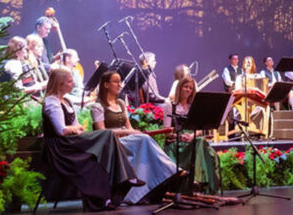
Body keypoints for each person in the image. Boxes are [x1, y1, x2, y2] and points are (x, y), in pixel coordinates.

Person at [40, 68, 143, 211]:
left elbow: (75, 125)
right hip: (61, 147)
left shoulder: (67, 101)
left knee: (105, 149)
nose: (73, 84)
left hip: (71, 142)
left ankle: (108, 197)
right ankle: (126, 177)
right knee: (107, 134)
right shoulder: (52, 102)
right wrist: (76, 129)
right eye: (70, 81)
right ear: (60, 84)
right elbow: (61, 130)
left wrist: (76, 128)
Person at [89, 71, 180, 204]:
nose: (119, 84)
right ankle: (172, 169)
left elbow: (129, 127)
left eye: (120, 81)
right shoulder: (98, 106)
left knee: (144, 140)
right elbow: (102, 133)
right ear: (106, 85)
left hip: (126, 141)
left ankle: (146, 190)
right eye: (116, 81)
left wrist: (135, 132)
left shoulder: (120, 103)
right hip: (110, 144)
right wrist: (128, 133)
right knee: (144, 140)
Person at [162, 77, 221, 193]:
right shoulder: (170, 105)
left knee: (200, 141)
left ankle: (196, 181)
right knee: (200, 143)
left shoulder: (192, 106)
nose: (188, 90)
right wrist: (180, 137)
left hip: (192, 139)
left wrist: (192, 136)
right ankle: (197, 180)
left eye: (190, 88)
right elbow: (166, 131)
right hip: (176, 142)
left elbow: (199, 129)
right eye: (186, 87)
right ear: (180, 88)